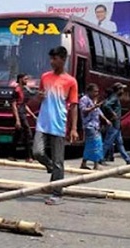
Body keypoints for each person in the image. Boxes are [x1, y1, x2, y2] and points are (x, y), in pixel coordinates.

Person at [32, 46, 79, 205]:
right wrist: (39, 97)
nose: (52, 62)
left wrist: (73, 128)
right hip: (43, 122)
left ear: (63, 59)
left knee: (60, 160)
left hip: (59, 123)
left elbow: (73, 106)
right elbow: (40, 97)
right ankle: (51, 167)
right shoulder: (45, 77)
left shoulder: (71, 81)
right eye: (51, 59)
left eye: (55, 59)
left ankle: (57, 193)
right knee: (37, 152)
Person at [102, 83, 130, 165]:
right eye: (122, 89)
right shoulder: (114, 97)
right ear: (118, 90)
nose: (123, 91)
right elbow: (106, 105)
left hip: (117, 125)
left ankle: (128, 159)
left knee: (120, 144)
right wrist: (113, 113)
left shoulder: (115, 98)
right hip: (113, 125)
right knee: (107, 142)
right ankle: (100, 158)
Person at [79, 83, 110, 170]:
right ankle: (96, 164)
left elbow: (98, 111)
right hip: (89, 125)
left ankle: (84, 162)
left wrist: (106, 119)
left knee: (93, 144)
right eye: (94, 91)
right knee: (95, 144)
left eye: (97, 92)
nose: (96, 93)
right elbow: (84, 111)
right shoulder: (84, 99)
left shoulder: (93, 100)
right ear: (89, 91)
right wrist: (94, 106)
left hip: (95, 125)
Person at [9, 73, 35, 162]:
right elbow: (14, 105)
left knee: (17, 135)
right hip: (20, 114)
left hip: (23, 112)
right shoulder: (16, 91)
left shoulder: (23, 90)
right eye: (25, 79)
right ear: (20, 79)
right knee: (28, 133)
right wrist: (17, 120)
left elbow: (24, 105)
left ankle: (12, 155)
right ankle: (28, 156)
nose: (27, 81)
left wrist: (32, 115)